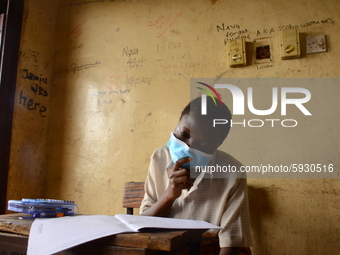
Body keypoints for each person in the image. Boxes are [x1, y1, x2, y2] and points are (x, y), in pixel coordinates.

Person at [140, 96, 252, 255]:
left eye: (203, 145)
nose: (188, 148)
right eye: (183, 134)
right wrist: (169, 195)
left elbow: (231, 244)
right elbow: (143, 224)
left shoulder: (233, 172)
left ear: (216, 145)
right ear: (177, 124)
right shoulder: (159, 158)